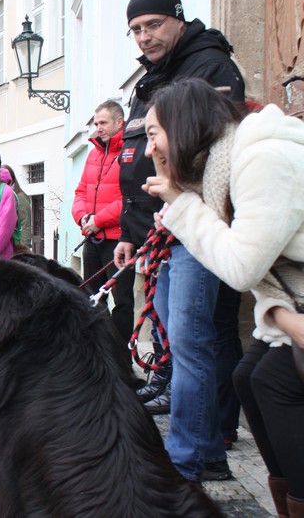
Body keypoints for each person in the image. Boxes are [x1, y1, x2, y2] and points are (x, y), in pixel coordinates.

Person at [143, 78, 304, 518]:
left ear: (184, 127)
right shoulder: (227, 166)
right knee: (250, 378)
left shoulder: (261, 159)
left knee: (275, 383)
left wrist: (180, 202)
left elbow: (241, 268)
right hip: (289, 312)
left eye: (153, 134)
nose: (147, 150)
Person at [112, 0, 245, 482]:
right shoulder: (154, 77)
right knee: (180, 343)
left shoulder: (209, 65)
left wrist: (173, 213)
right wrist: (134, 230)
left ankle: (186, 457)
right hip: (164, 227)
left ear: (178, 19)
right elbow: (138, 155)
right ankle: (205, 451)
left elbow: (206, 155)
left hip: (197, 226)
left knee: (191, 345)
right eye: (135, 30)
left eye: (152, 25)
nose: (144, 37)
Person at [72, 100, 135, 348]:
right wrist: (83, 218)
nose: (98, 128)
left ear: (119, 122)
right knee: (92, 298)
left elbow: (128, 197)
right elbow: (80, 192)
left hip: (119, 240)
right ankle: (100, 352)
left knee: (122, 302)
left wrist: (99, 220)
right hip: (92, 239)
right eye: (96, 123)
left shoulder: (130, 151)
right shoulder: (94, 154)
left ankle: (121, 358)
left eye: (103, 123)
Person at [0, 165, 33, 252]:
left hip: (16, 247)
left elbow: (25, 224)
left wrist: (24, 250)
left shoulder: (20, 197)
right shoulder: (0, 196)